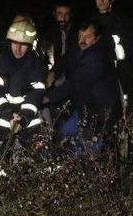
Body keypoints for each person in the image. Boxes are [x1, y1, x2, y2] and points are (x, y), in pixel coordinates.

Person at [43, 18, 121, 155]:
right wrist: (53, 72)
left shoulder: (97, 57)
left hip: (100, 111)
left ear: (96, 39)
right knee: (63, 135)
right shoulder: (79, 49)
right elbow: (66, 59)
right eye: (80, 36)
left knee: (85, 148)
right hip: (83, 108)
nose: (82, 40)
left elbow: (75, 83)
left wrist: (47, 98)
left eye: (88, 36)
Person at [0, 17, 48, 176]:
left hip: (27, 118)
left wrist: (23, 118)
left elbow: (35, 95)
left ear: (31, 45)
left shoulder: (37, 66)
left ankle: (32, 181)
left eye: (23, 45)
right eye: (15, 43)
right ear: (9, 42)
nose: (18, 49)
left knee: (38, 160)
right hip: (1, 116)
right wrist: (8, 116)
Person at [90, 0, 133, 108]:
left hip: (119, 68)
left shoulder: (121, 20)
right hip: (96, 67)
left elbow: (130, 45)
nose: (101, 1)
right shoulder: (90, 20)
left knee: (121, 99)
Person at [40, 0, 77, 88]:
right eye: (60, 13)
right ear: (54, 14)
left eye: (66, 14)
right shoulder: (48, 33)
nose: (63, 18)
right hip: (52, 80)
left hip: (71, 79)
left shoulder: (77, 33)